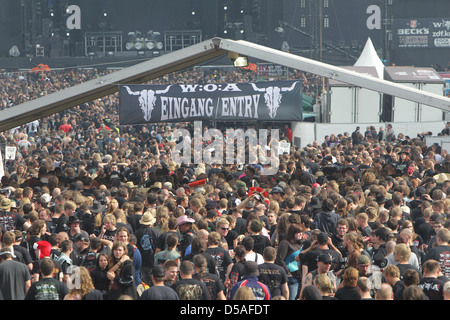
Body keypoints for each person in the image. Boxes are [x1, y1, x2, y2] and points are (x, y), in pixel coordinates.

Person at [275, 224, 303, 300]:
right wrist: (287, 272)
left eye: (301, 232)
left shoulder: (300, 244)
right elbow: (280, 259)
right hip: (290, 277)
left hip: (299, 276)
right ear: (293, 233)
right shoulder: (285, 243)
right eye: (298, 233)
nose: (301, 234)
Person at [134, 211, 161, 284]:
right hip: (152, 260)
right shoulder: (156, 233)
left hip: (141, 260)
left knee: (142, 282)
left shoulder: (137, 233)